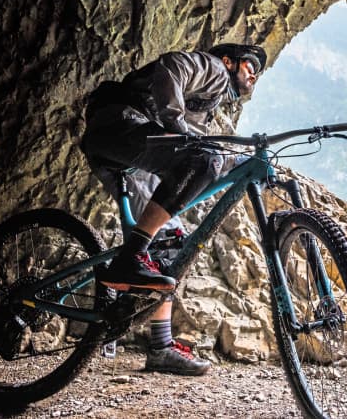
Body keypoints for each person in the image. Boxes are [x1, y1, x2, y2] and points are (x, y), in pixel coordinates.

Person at [81, 43, 266, 376]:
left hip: (122, 145)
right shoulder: (213, 70)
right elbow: (172, 66)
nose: (254, 75)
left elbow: (194, 146)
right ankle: (129, 259)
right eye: (250, 66)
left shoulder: (209, 101)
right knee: (205, 158)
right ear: (229, 61)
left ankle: (160, 346)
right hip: (122, 126)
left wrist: (233, 160)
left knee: (168, 246)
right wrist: (175, 122)